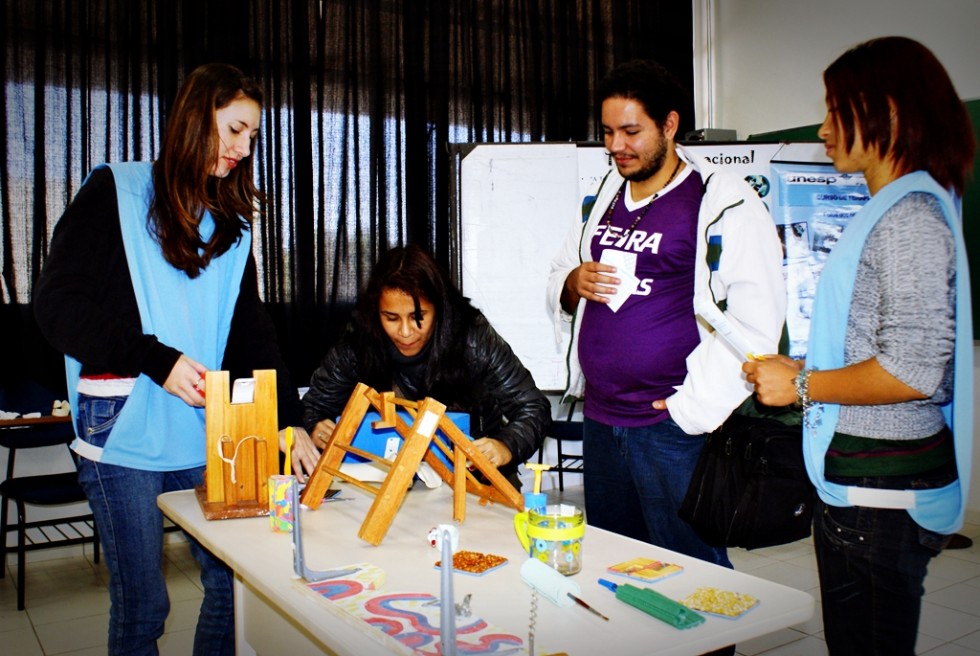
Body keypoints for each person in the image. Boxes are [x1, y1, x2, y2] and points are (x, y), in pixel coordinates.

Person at [33, 63, 312, 656]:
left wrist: (289, 421)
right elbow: (57, 307)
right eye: (234, 129)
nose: (242, 148)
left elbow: (251, 337)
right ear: (194, 117)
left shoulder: (231, 230)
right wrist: (154, 359)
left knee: (232, 583)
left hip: (206, 431)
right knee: (143, 608)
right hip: (123, 434)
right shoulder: (114, 190)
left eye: (251, 138)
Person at [742, 37, 974, 655]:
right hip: (871, 489)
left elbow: (914, 369)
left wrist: (801, 384)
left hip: (880, 501)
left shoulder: (908, 218)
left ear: (888, 113)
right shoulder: (897, 207)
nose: (822, 128)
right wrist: (802, 369)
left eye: (835, 108)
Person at [546, 60, 786, 568]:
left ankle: (714, 650)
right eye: (609, 132)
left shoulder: (719, 199)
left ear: (669, 125)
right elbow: (561, 272)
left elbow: (755, 318)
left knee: (691, 569)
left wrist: (688, 410)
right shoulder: (602, 199)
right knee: (619, 564)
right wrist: (572, 283)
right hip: (602, 417)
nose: (616, 146)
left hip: (670, 426)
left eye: (632, 131)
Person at [301, 244, 549, 485]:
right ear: (376, 312)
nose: (406, 332)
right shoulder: (359, 342)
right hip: (383, 480)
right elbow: (313, 407)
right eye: (391, 318)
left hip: (475, 481)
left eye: (419, 317)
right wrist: (315, 427)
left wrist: (505, 445)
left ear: (439, 309)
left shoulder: (471, 336)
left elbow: (532, 408)